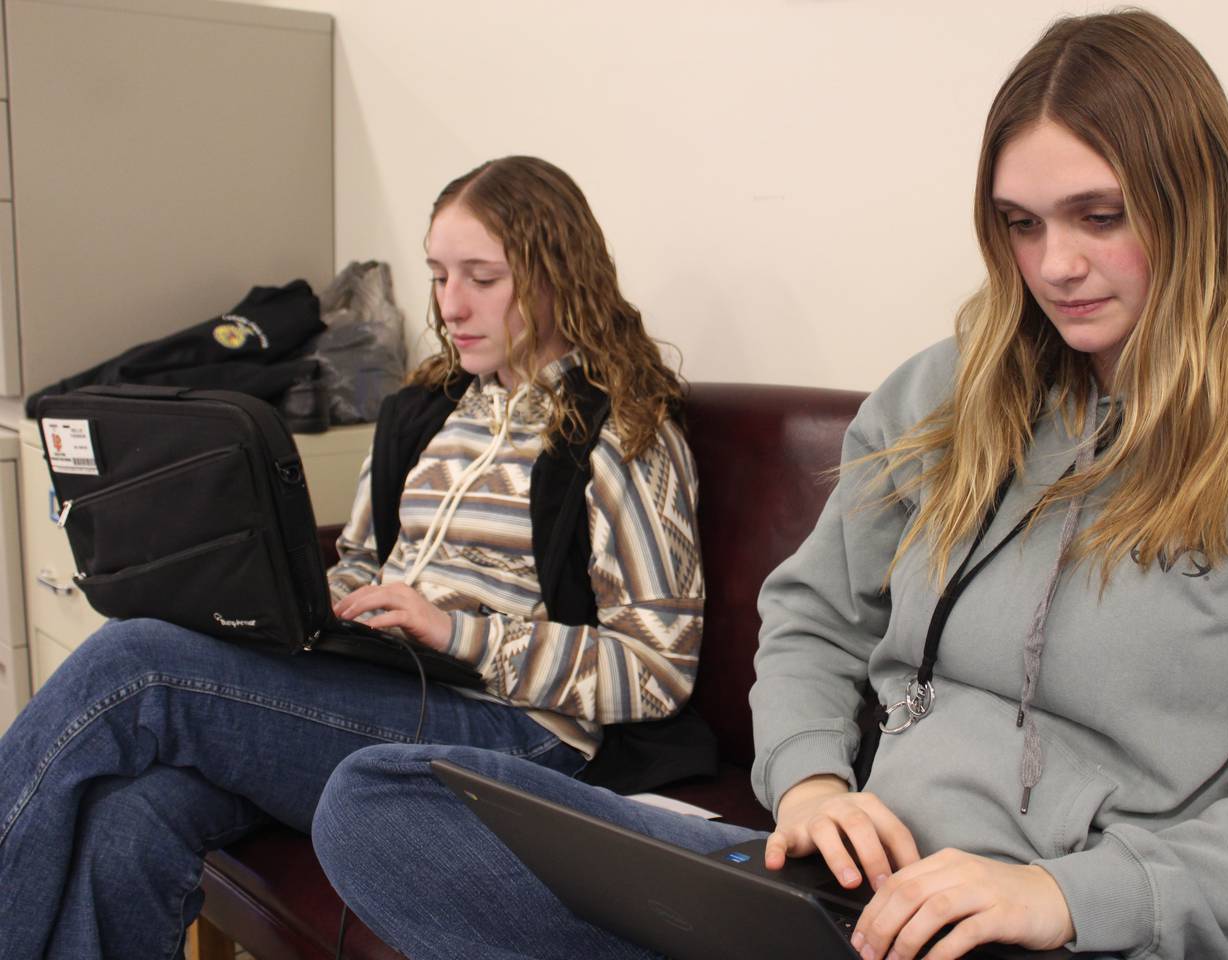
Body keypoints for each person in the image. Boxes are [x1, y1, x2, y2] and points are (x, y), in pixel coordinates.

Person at [310, 11, 1228, 960]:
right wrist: (806, 785)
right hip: (847, 899)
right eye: (1021, 224)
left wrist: (1061, 898)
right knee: (388, 799)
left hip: (1070, 929)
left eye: (1100, 216)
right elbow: (806, 620)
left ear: (1197, 205)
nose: (1054, 265)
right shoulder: (950, 392)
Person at [0, 156, 705, 959]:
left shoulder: (624, 436)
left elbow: (659, 669)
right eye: (440, 275)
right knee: (132, 820)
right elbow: (364, 561)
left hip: (511, 731)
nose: (452, 304)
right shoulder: (423, 410)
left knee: (139, 664)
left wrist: (455, 632)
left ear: (556, 276)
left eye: (483, 277)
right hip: (376, 683)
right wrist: (302, 609)